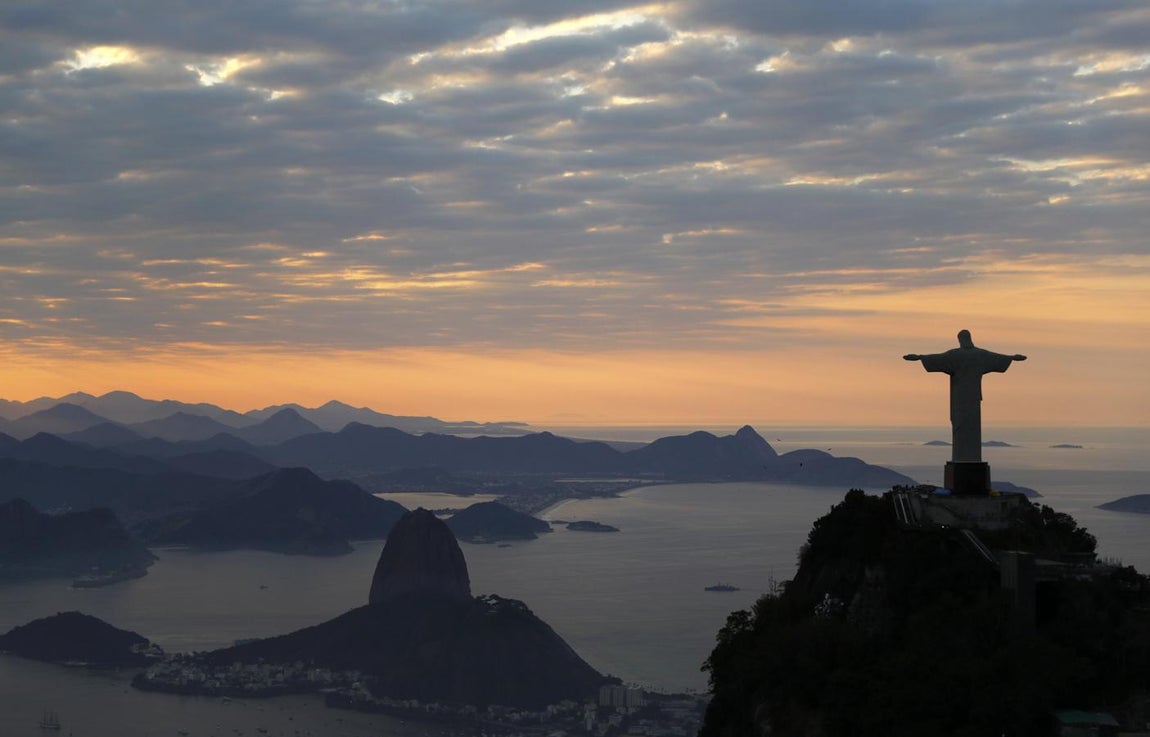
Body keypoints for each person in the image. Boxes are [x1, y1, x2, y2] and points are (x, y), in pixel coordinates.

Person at [904, 330, 1026, 463]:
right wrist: (1012, 358)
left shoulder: (956, 355)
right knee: (969, 425)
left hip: (960, 396)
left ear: (960, 340)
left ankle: (964, 458)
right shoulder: (980, 354)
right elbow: (997, 358)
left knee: (962, 425)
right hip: (972, 396)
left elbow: (938, 358)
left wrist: (919, 357)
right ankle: (969, 457)